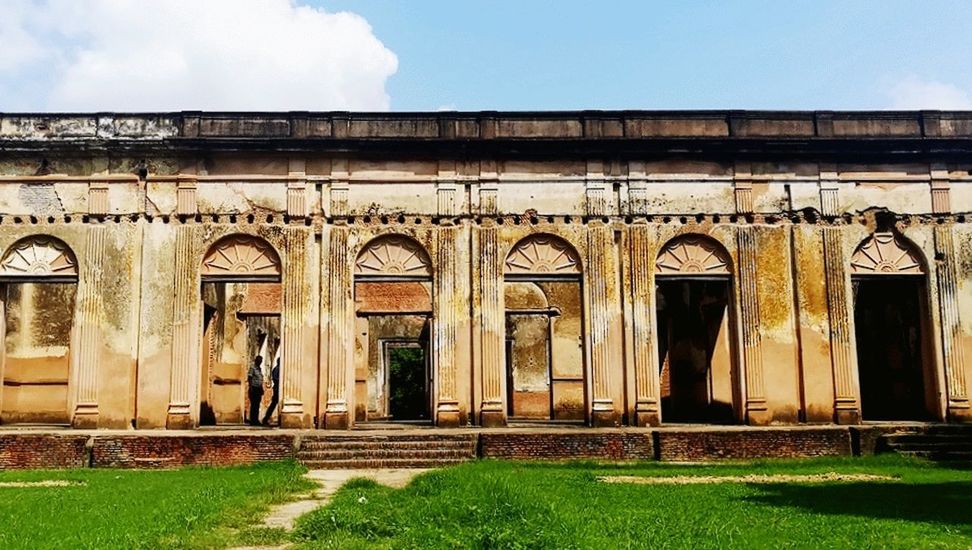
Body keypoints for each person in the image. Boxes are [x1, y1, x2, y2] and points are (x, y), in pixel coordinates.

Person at [246, 355, 264, 426]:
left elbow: (260, 379)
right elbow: (249, 377)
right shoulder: (252, 368)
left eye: (261, 360)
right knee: (253, 405)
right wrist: (250, 387)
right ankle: (253, 420)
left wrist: (262, 388)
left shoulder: (259, 369)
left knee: (257, 405)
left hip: (259, 388)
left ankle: (256, 420)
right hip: (254, 388)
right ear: (256, 360)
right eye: (259, 360)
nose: (260, 362)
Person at [262, 357, 280, 426]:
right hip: (277, 389)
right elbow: (275, 378)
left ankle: (266, 418)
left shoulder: (277, 369)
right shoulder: (277, 369)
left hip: (278, 388)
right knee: (273, 404)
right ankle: (266, 418)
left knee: (274, 404)